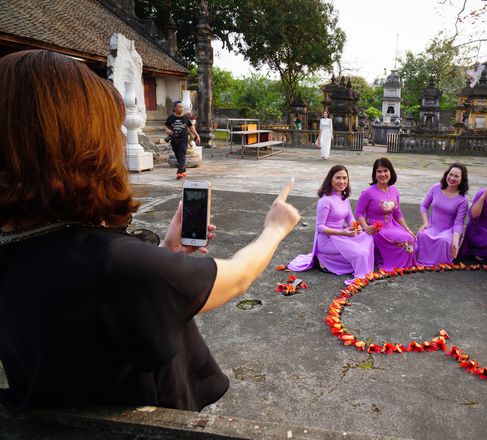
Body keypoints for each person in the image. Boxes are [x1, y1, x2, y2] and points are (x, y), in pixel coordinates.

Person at [0, 50, 301, 412]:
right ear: (78, 145)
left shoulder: (21, 247)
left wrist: (165, 253)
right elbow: (236, 278)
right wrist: (275, 228)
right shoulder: (118, 266)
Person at [288, 165, 374, 285]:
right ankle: (322, 260)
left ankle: (338, 261)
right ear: (330, 179)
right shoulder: (325, 200)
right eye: (338, 178)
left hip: (341, 235)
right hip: (327, 240)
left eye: (345, 178)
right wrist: (342, 232)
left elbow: (350, 217)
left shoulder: (344, 197)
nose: (342, 181)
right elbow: (320, 227)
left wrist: (356, 227)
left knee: (367, 238)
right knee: (359, 253)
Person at [356, 158, 416, 271]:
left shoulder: (394, 191)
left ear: (391, 172)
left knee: (411, 238)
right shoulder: (367, 193)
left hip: (392, 225)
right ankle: (392, 264)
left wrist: (407, 229)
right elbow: (359, 213)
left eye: (385, 171)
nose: (382, 174)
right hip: (377, 229)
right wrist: (365, 227)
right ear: (374, 174)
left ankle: (403, 265)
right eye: (379, 171)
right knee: (403, 241)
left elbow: (398, 214)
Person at [416, 163, 469, 265]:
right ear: (446, 174)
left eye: (456, 176)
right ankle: (422, 260)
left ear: (462, 179)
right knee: (422, 235)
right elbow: (424, 206)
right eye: (451, 174)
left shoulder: (463, 200)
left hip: (449, 231)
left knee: (443, 241)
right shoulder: (436, 188)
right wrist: (426, 223)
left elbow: (459, 223)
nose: (452, 178)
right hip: (433, 226)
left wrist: (455, 242)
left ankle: (438, 263)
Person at [165, 100, 201, 180]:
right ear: (175, 108)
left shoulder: (185, 117)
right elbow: (166, 126)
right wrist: (167, 130)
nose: (182, 108)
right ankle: (183, 170)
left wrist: (197, 135)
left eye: (182, 107)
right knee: (178, 156)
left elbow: (191, 127)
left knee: (182, 155)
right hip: (174, 140)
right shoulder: (170, 117)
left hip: (183, 140)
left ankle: (179, 172)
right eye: (180, 107)